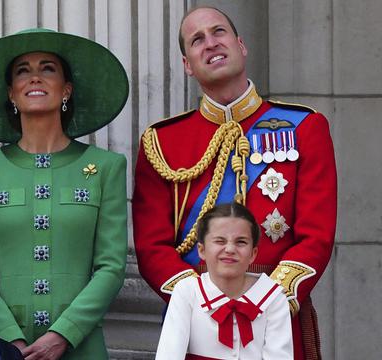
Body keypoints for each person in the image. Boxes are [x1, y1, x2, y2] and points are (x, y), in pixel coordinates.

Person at [133, 6, 336, 360]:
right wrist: (201, 300)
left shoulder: (304, 127)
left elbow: (316, 234)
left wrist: (268, 299)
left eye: (219, 32)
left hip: (277, 309)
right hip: (196, 319)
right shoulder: (162, 142)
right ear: (187, 64)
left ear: (241, 45)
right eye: (197, 40)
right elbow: (152, 246)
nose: (210, 43)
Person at [0, 28, 129, 359]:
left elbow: (112, 266)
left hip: (81, 345)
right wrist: (10, 340)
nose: (34, 78)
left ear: (67, 89)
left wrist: (65, 332)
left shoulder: (106, 167)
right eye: (22, 71)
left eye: (47, 68)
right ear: (11, 94)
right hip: (2, 346)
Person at [155, 203, 293, 359]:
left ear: (253, 253)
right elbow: (169, 354)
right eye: (220, 241)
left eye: (241, 242)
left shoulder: (274, 297)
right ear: (201, 250)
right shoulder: (187, 291)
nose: (230, 249)